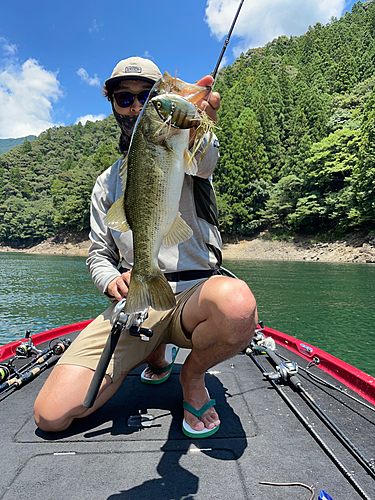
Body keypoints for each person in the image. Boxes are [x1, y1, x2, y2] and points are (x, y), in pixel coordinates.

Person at [34, 57, 258, 437]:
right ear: (113, 105)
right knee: (50, 415)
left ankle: (192, 375)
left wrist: (200, 122)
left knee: (237, 305)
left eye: (148, 96)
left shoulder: (186, 146)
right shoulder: (106, 184)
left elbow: (205, 160)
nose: (136, 106)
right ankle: (153, 350)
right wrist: (110, 282)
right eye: (125, 98)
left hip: (196, 296)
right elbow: (99, 254)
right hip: (141, 300)